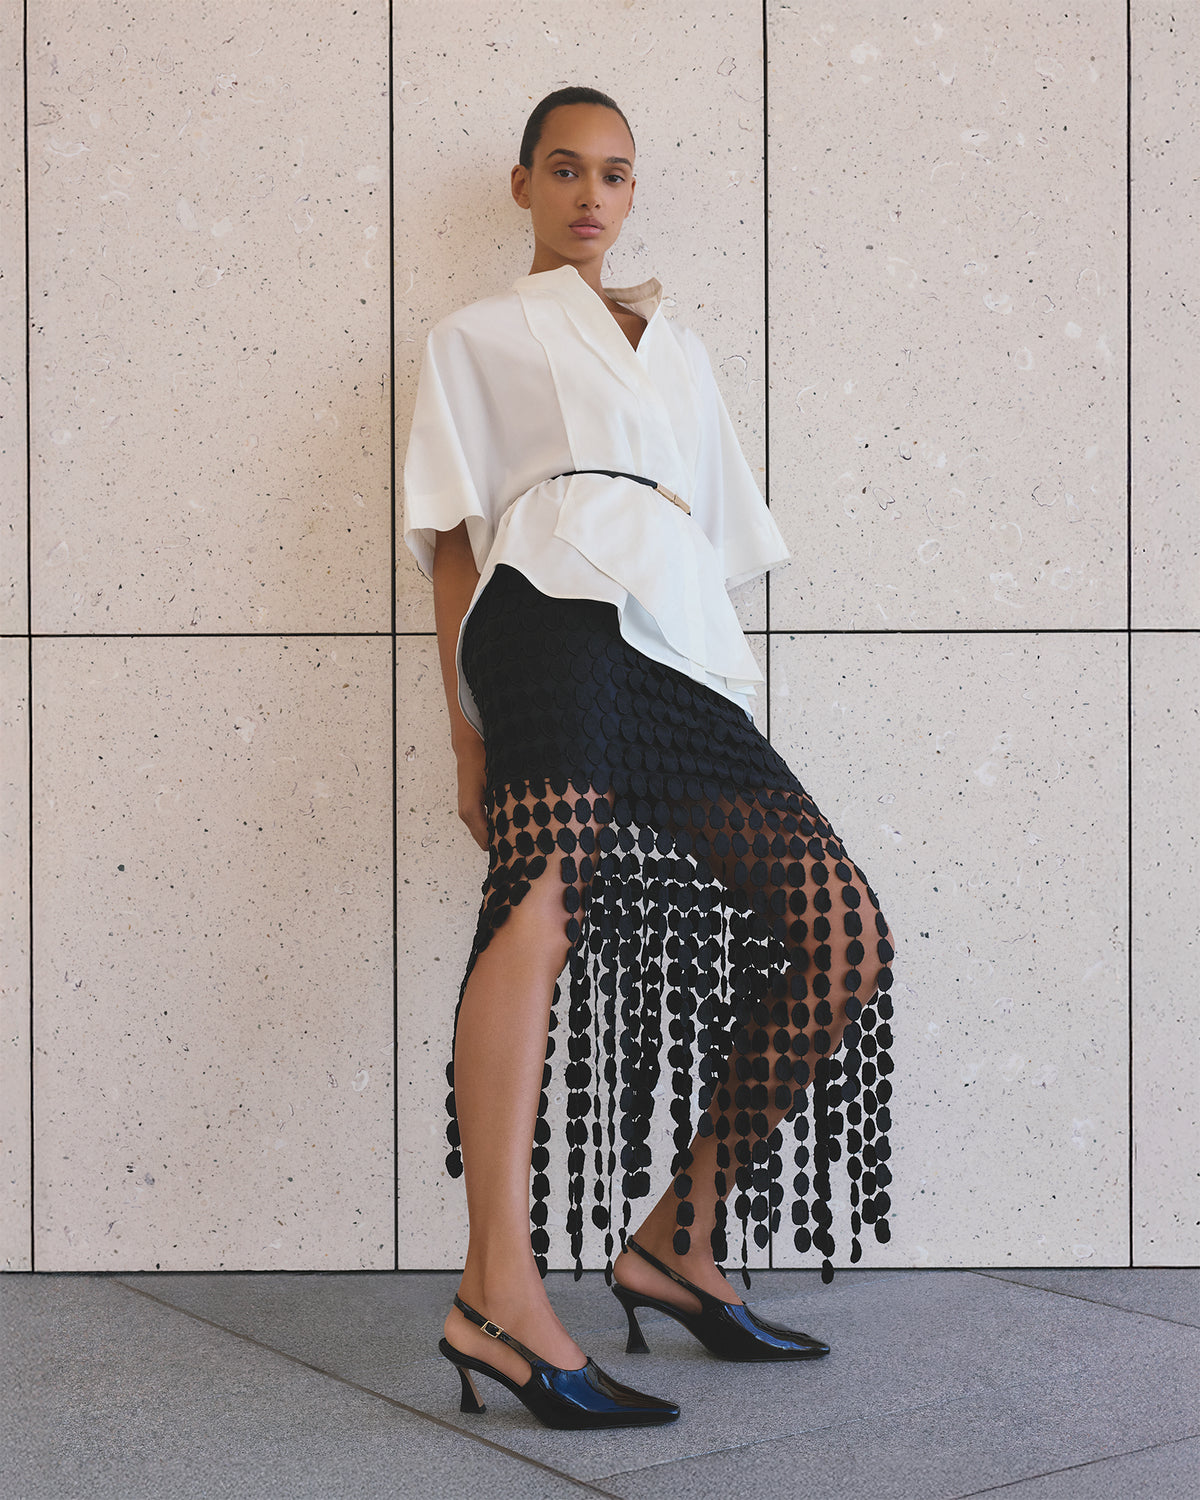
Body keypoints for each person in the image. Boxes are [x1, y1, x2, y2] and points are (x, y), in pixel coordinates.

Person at [402, 86, 896, 1430]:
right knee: (541, 899)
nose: (590, 196)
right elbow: (450, 534)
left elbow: (713, 534)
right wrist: (465, 729)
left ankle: (674, 1242)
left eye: (614, 175)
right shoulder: (477, 333)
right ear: (521, 185)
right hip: (544, 610)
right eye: (564, 170)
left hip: (673, 647)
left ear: (633, 195)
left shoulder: (678, 351)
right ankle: (496, 1292)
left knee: (840, 934)